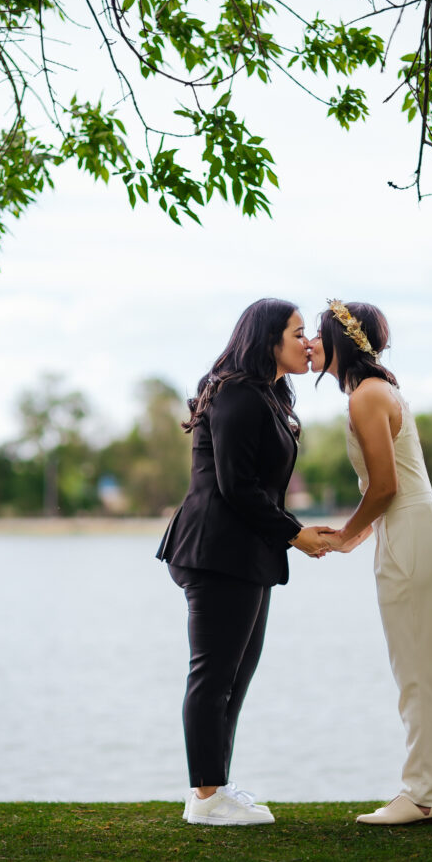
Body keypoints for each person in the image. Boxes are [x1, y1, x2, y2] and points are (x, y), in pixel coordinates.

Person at [157, 298, 328, 826]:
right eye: (298, 333)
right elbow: (235, 486)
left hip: (245, 552)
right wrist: (296, 535)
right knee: (213, 676)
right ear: (267, 340)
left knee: (237, 675)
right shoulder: (236, 395)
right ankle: (205, 798)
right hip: (216, 550)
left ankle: (216, 787)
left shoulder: (268, 394)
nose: (307, 341)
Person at [310, 300, 432, 826]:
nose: (308, 342)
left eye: (316, 332)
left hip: (412, 533)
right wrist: (359, 533)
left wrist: (348, 537)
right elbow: (391, 486)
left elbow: (384, 487)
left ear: (339, 341)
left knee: (417, 671)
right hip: (423, 529)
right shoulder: (376, 391)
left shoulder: (366, 397)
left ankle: (420, 794)